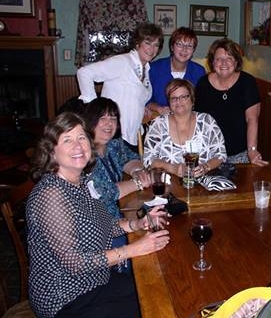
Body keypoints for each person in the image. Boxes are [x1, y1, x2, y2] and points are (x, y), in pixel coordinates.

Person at [26, 112, 170, 318]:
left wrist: (137, 224)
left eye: (82, 138)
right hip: (65, 298)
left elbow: (106, 224)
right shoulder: (51, 194)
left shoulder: (81, 182)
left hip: (96, 280)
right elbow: (75, 263)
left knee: (157, 289)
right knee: (152, 309)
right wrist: (133, 249)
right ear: (52, 152)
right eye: (67, 140)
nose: (78, 146)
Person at [83, 97, 151, 270]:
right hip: (100, 230)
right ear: (90, 122)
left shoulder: (113, 144)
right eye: (102, 118)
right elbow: (107, 192)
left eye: (113, 118)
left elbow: (131, 158)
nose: (109, 123)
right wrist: (137, 183)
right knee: (147, 257)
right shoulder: (83, 153)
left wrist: (137, 171)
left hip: (121, 216)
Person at [77, 22, 164, 151]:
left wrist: (142, 107)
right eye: (147, 43)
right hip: (113, 135)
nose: (151, 49)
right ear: (137, 43)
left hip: (132, 136)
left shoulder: (146, 69)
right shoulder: (123, 62)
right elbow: (84, 73)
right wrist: (95, 108)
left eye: (156, 45)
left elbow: (132, 95)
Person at [195, 38, 268, 166]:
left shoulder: (247, 82)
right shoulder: (203, 84)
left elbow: (252, 119)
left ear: (236, 61)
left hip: (239, 154)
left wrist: (252, 151)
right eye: (218, 59)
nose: (223, 63)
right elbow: (197, 120)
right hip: (209, 155)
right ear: (212, 62)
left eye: (229, 58)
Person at [143, 79, 227, 178]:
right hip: (168, 183)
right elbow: (148, 160)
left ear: (192, 99)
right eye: (173, 98)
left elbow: (220, 155)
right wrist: (173, 168)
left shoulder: (206, 121)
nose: (178, 101)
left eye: (183, 97)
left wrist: (205, 167)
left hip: (204, 182)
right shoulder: (158, 124)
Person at [147, 27, 206, 116]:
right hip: (159, 119)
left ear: (193, 50)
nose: (184, 49)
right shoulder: (154, 68)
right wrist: (159, 108)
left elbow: (201, 102)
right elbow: (144, 99)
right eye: (179, 44)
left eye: (189, 46)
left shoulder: (199, 72)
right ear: (172, 47)